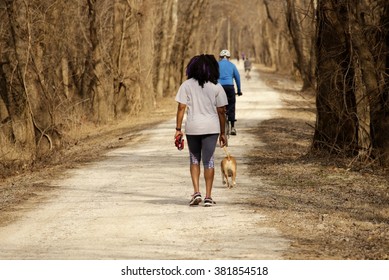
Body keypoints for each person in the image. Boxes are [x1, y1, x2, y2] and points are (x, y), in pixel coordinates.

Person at [175, 54, 228, 207]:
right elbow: (221, 111)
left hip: (192, 127)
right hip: (211, 128)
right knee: (209, 161)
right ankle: (208, 197)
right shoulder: (217, 86)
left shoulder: (186, 85)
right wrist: (223, 133)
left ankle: (196, 192)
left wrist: (178, 129)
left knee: (194, 160)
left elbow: (181, 107)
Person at [218, 49, 242, 136]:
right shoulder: (232, 65)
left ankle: (217, 126)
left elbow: (212, 77)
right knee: (231, 105)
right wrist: (239, 90)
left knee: (217, 106)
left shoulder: (216, 65)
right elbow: (237, 78)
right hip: (229, 87)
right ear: (228, 58)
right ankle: (232, 127)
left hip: (219, 88)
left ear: (220, 57)